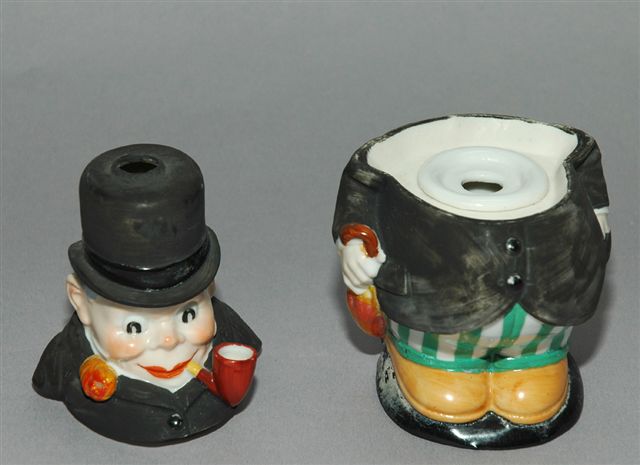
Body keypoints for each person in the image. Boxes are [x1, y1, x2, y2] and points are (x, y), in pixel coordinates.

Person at [32, 144, 260, 445]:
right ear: (81, 302)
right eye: (134, 326)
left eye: (188, 314)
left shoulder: (235, 339)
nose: (168, 340)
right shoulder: (63, 364)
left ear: (209, 288)